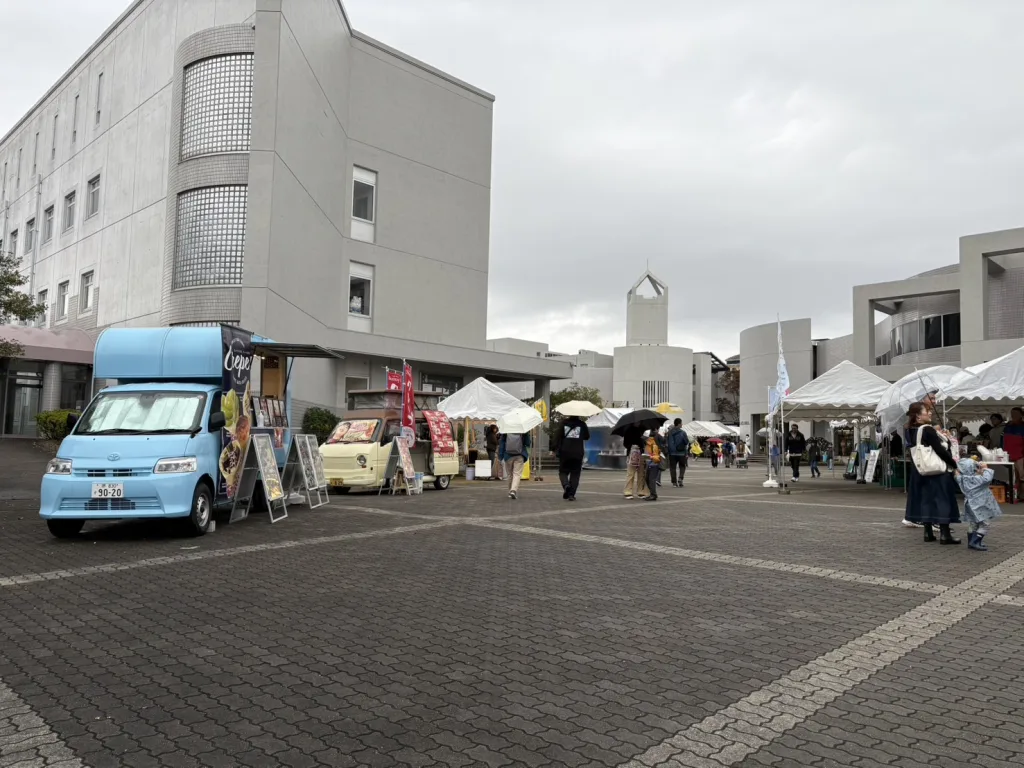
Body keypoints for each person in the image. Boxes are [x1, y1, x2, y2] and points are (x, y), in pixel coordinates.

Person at [904, 401, 961, 544]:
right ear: (917, 416)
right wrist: (953, 464)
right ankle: (945, 534)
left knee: (926, 500)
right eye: (927, 411)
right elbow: (940, 450)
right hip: (936, 471)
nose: (930, 413)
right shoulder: (928, 429)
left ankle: (928, 533)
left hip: (920, 470)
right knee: (942, 499)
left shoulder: (908, 429)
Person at [956, 458, 1001, 551]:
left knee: (973, 523)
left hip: (969, 504)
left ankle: (971, 542)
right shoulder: (978, 480)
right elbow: (987, 478)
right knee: (985, 524)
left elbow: (957, 473)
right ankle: (975, 542)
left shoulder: (961, 479)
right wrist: (985, 468)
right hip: (979, 505)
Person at [555, 415, 589, 501]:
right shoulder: (582, 424)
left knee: (562, 472)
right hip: (578, 452)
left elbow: (558, 436)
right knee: (575, 474)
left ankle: (566, 485)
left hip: (565, 452)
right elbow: (587, 436)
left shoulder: (564, 423)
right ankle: (571, 495)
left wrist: (554, 449)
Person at [499, 430, 531, 500]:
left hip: (508, 455)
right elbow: (528, 443)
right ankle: (513, 490)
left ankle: (510, 491)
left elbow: (502, 444)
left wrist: (501, 456)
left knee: (510, 475)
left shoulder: (506, 430)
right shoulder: (523, 430)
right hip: (520, 455)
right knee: (517, 474)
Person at [1004, 407, 1024, 499]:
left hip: (1021, 455)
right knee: (1013, 477)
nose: (1013, 416)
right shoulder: (1008, 427)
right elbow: (1004, 440)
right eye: (1012, 414)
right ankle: (1015, 495)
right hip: (1009, 455)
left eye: (1016, 414)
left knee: (1022, 476)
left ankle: (1022, 495)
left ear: (1021, 415)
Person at [623, 426, 648, 499]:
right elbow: (625, 443)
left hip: (641, 453)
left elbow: (644, 443)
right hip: (632, 453)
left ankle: (641, 491)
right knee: (631, 473)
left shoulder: (642, 429)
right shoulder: (628, 430)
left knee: (641, 473)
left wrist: (643, 441)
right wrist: (631, 446)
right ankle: (628, 491)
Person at [666, 418, 689, 488]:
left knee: (672, 468)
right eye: (681, 423)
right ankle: (680, 478)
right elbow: (686, 442)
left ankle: (674, 483)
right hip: (681, 453)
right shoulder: (683, 433)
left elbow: (667, 442)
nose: (682, 424)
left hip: (672, 453)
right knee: (682, 466)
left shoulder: (669, 433)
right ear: (678, 424)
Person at [643, 430, 662, 501]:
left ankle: (653, 495)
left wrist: (649, 457)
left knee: (651, 480)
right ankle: (653, 494)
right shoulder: (649, 444)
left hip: (654, 464)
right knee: (648, 479)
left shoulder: (653, 445)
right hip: (651, 464)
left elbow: (656, 456)